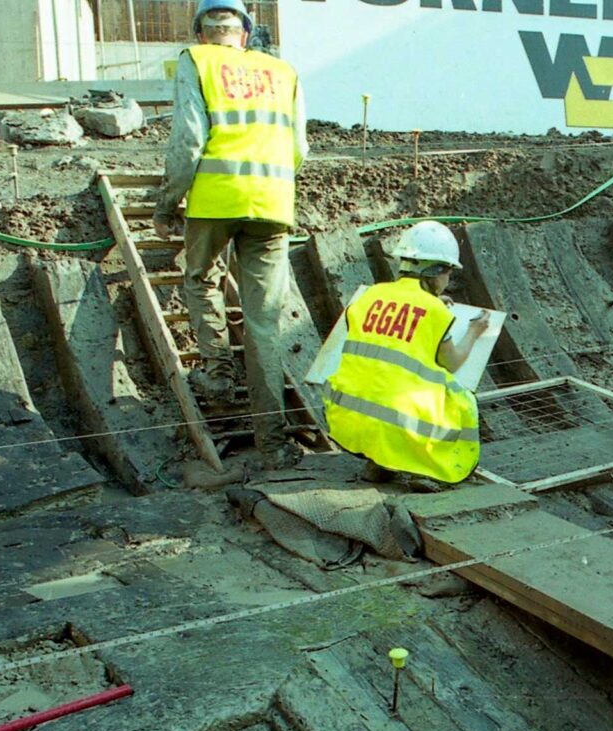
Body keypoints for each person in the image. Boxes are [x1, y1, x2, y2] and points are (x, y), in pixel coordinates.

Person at [153, 0, 308, 470]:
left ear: (203, 33)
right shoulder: (284, 71)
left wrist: (167, 202)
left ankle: (218, 372)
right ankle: (275, 444)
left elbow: (189, 138)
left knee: (200, 278)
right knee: (263, 324)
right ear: (244, 33)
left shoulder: (195, 61)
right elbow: (300, 146)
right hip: (273, 204)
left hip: (216, 199)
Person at [322, 221, 489, 485]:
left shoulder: (367, 296)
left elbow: (389, 334)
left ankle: (379, 462)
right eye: (448, 274)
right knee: (460, 399)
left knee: (383, 385)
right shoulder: (435, 312)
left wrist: (431, 302)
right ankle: (424, 468)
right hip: (400, 424)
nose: (448, 281)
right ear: (436, 271)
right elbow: (453, 362)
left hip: (347, 418)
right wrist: (474, 332)